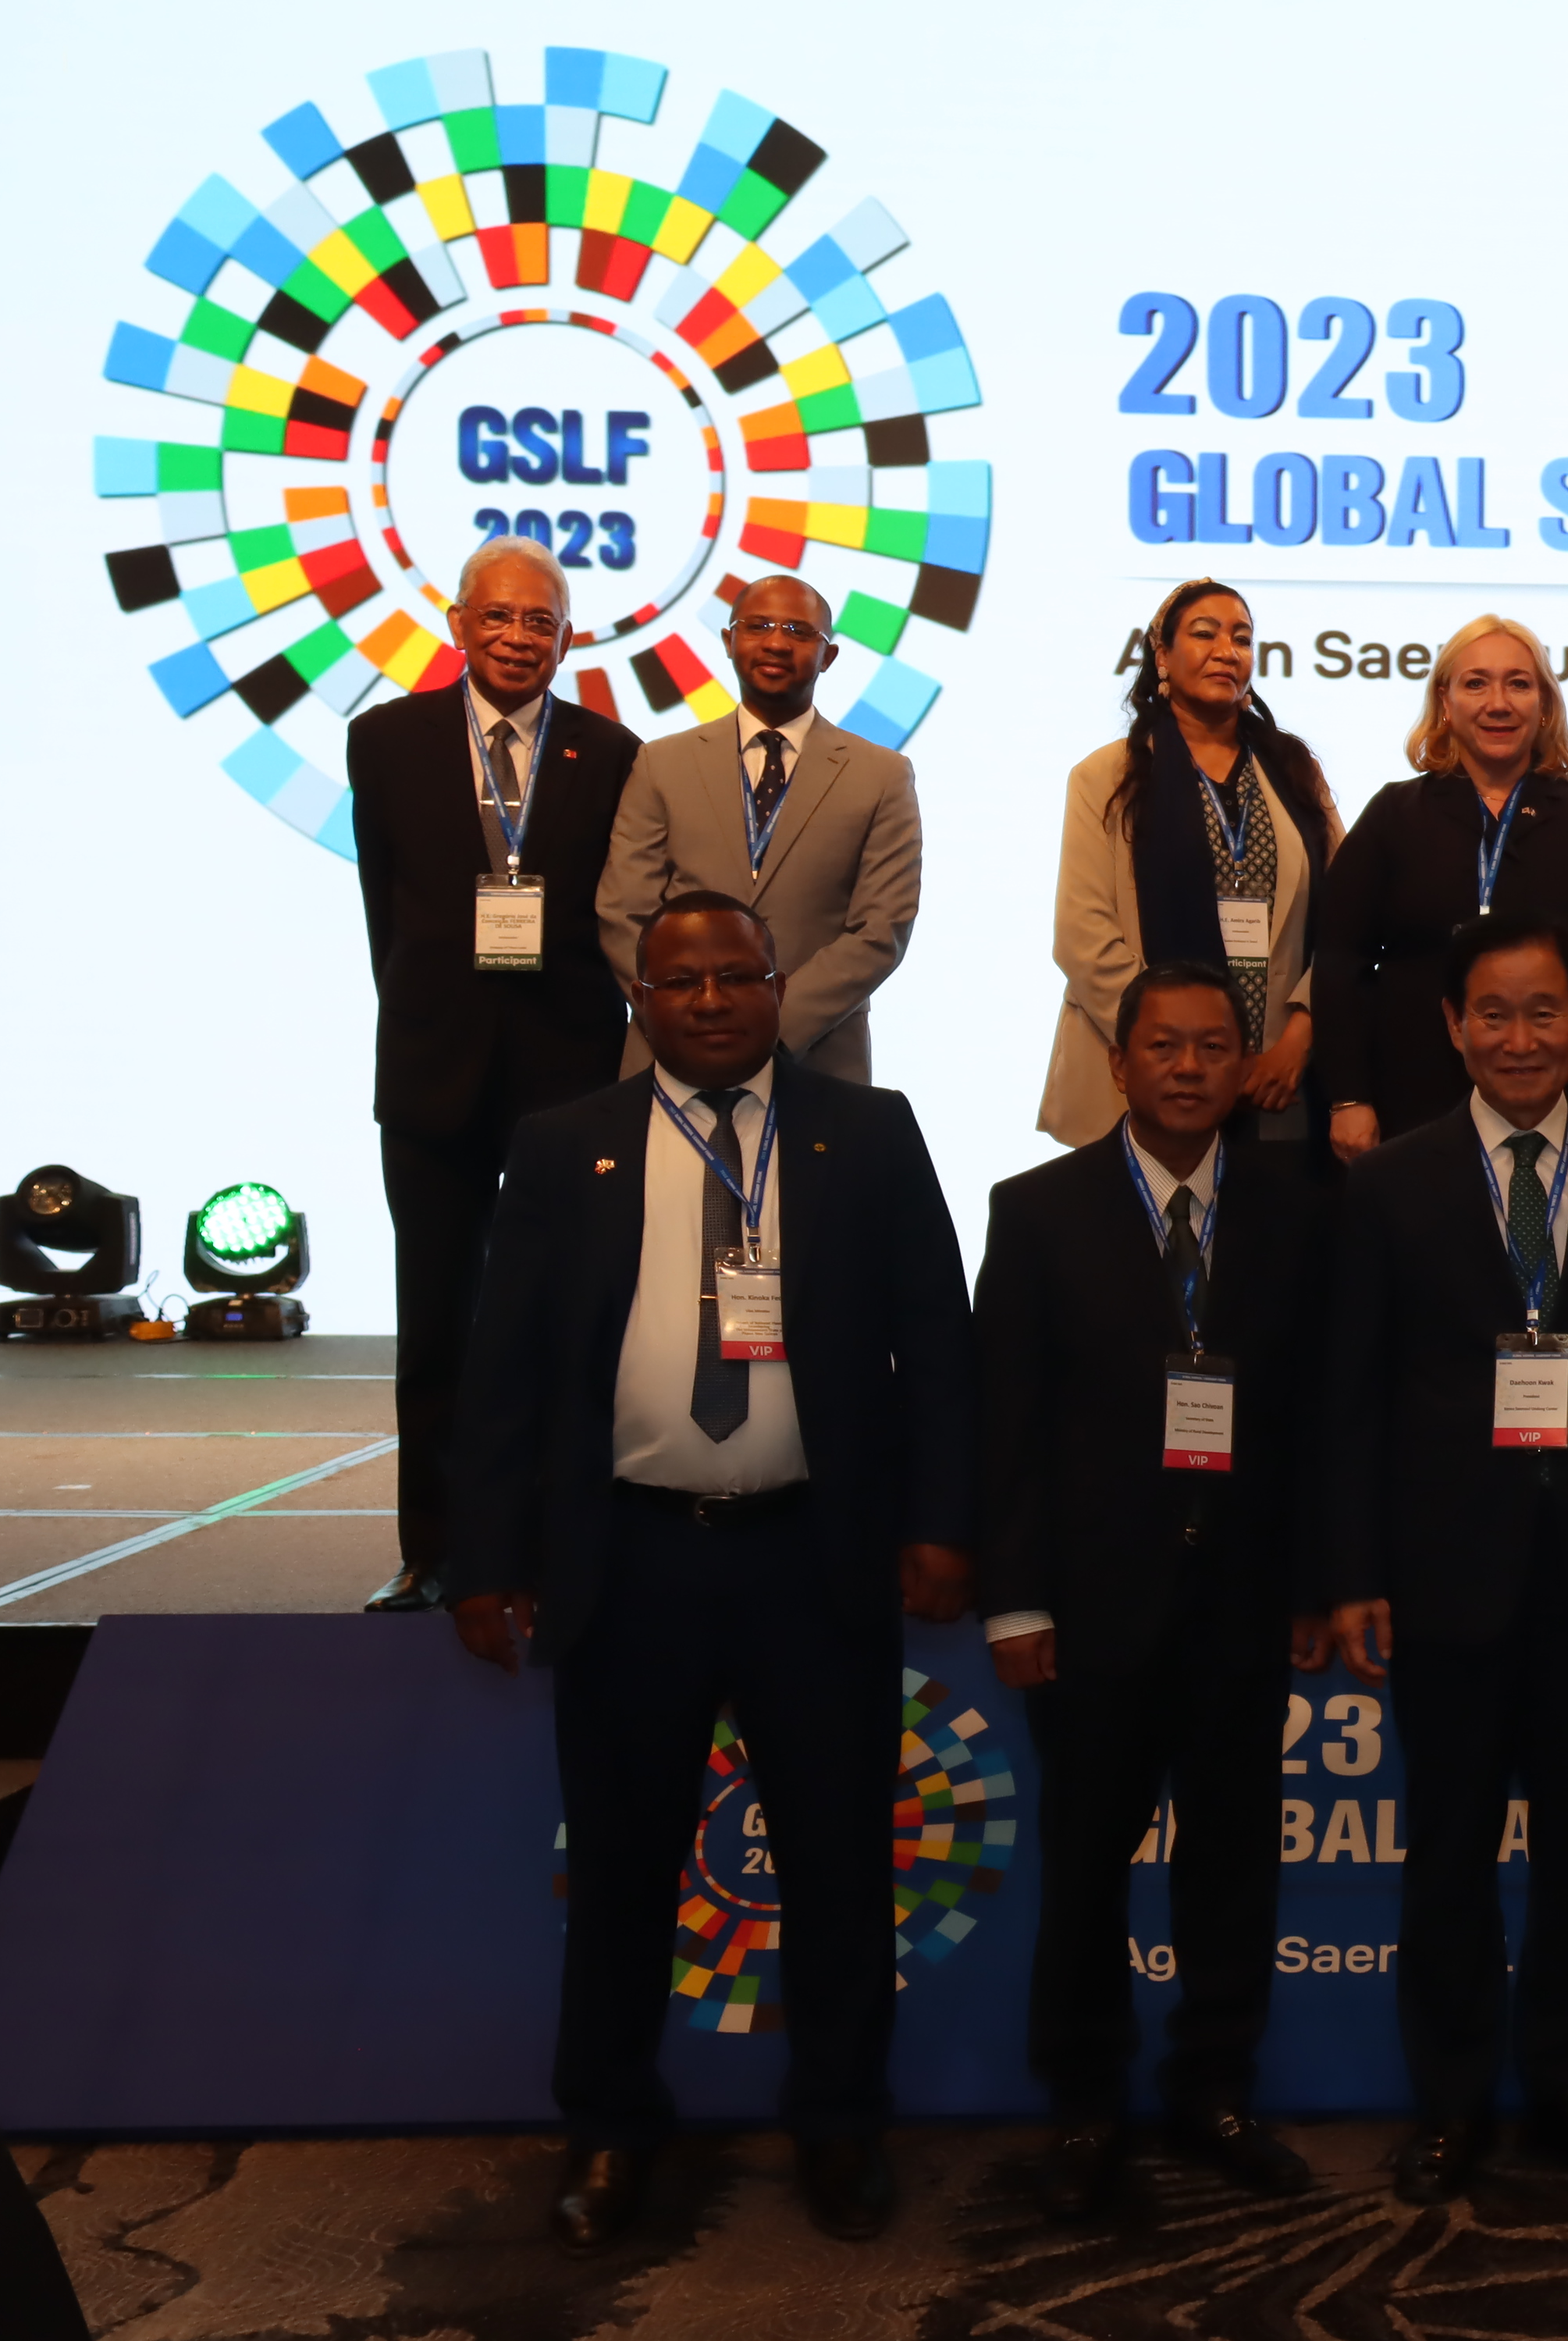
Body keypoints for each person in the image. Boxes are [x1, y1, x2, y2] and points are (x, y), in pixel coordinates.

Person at [441, 891, 976, 2252]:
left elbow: (937, 1341)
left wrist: (940, 1522)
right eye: (683, 982)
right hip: (632, 1561)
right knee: (624, 1870)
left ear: (778, 985)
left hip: (814, 1557)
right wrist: (486, 1555)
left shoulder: (868, 1131)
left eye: (738, 976)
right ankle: (612, 2131)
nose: (713, 1001)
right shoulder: (565, 1146)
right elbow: (503, 1367)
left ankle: (841, 2127)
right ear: (642, 998)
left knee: (840, 1866)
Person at [1310, 913, 1568, 2204]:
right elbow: (1351, 1393)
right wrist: (1355, 1572)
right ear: (1452, 1026)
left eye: (1544, 1012)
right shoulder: (1390, 1182)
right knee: (1450, 1852)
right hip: (1443, 1575)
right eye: (1493, 1012)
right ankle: (1454, 2100)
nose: (1519, 1038)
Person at [975, 960, 1331, 2222]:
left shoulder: (1301, 1210)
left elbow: (1322, 1416)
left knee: (1234, 1863)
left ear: (1245, 1065)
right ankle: (1086, 2104)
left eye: (1213, 1046)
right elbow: (1006, 1424)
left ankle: (1214, 2090)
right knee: (1085, 1866)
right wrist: (1016, 1600)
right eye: (1164, 1046)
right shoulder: (1038, 1210)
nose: (1188, 1067)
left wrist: (1316, 1582)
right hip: (1091, 1608)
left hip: (1243, 1601)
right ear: (1119, 1062)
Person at [348, 533, 645, 1613]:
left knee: (574, 1323)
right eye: (499, 617)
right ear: (459, 625)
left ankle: (562, 1544)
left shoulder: (611, 752)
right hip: (432, 1069)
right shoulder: (386, 740)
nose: (519, 637)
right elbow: (387, 910)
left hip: (571, 1074)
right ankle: (433, 1552)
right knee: (436, 1322)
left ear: (568, 640)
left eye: (540, 622)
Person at [1314, 614, 1568, 1154]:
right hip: (1410, 1103)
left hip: (1565, 1106)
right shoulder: (1394, 815)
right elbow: (1341, 962)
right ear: (1445, 700)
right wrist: (1348, 1098)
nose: (1498, 703)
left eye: (1518, 684)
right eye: (1476, 683)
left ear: (1544, 704)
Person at [1041, 579, 1344, 1147]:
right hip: (1147, 1075)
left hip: (1278, 1080)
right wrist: (1187, 1050)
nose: (1227, 651)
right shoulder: (1106, 777)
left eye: (1242, 639)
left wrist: (1299, 1036)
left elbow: (1347, 921)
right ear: (1162, 655)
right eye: (1205, 634)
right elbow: (1083, 938)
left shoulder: (1295, 769)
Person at [597, 576, 922, 1084]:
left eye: (798, 631)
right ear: (729, 641)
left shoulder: (882, 775)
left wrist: (771, 1024)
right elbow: (624, 912)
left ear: (829, 656)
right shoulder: (661, 763)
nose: (776, 642)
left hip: (816, 1055)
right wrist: (683, 1012)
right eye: (758, 626)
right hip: (671, 1051)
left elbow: (882, 929)